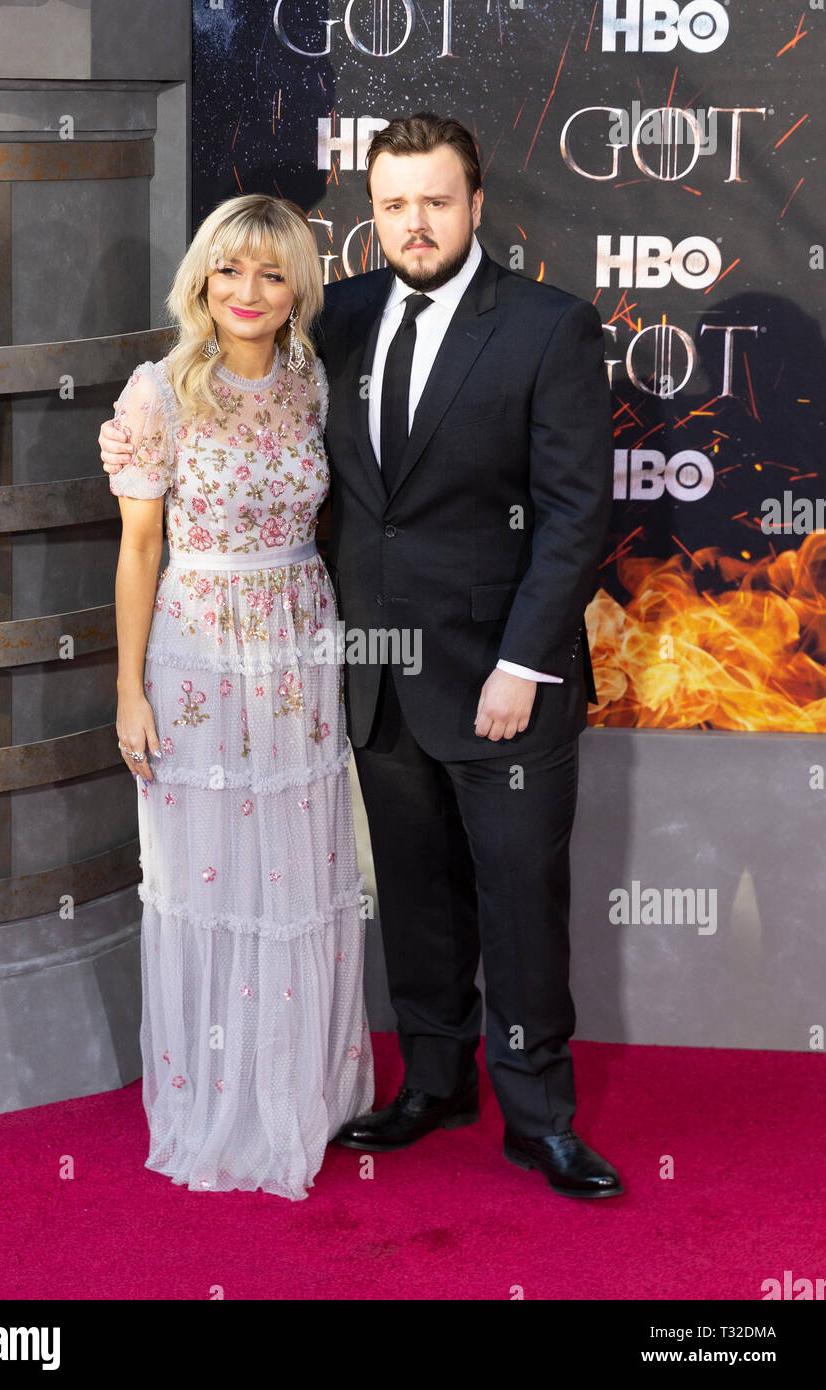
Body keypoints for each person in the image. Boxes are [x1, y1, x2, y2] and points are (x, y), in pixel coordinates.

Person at [103, 113, 622, 1199]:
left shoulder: (546, 327)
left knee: (520, 896)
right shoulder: (327, 320)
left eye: (435, 201)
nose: (415, 223)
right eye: (393, 204)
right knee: (417, 897)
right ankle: (433, 1079)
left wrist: (522, 665)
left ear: (475, 205)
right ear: (370, 216)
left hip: (501, 677)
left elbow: (575, 515)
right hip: (364, 674)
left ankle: (537, 1113)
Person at [107, 193, 373, 1202]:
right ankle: (216, 1096)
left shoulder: (315, 384)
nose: (247, 293)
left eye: (270, 273)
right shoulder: (157, 392)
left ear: (297, 286)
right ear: (202, 281)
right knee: (206, 877)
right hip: (197, 654)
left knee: (300, 876)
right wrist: (127, 688)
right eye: (228, 271)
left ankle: (301, 1088)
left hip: (299, 646)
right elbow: (138, 549)